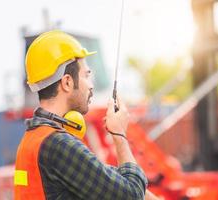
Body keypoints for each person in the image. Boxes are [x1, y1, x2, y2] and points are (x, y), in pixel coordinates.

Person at [14, 30, 159, 200]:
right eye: (86, 75)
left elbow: (103, 177)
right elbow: (131, 195)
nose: (91, 85)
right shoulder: (59, 144)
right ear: (67, 82)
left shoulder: (34, 138)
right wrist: (119, 134)